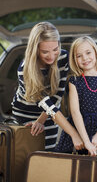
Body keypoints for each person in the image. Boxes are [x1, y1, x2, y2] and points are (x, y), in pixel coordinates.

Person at [11, 21, 84, 152]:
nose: (51, 56)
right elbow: (45, 103)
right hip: (23, 115)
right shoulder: (24, 69)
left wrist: (41, 120)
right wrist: (74, 134)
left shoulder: (62, 57)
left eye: (55, 49)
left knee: (47, 154)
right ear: (36, 50)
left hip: (48, 114)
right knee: (24, 156)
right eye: (45, 52)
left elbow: (57, 96)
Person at [54, 36, 97, 157]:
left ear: (95, 52)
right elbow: (75, 112)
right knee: (73, 169)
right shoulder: (75, 81)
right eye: (79, 56)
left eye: (88, 52)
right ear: (74, 59)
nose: (85, 58)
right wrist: (86, 141)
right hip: (79, 130)